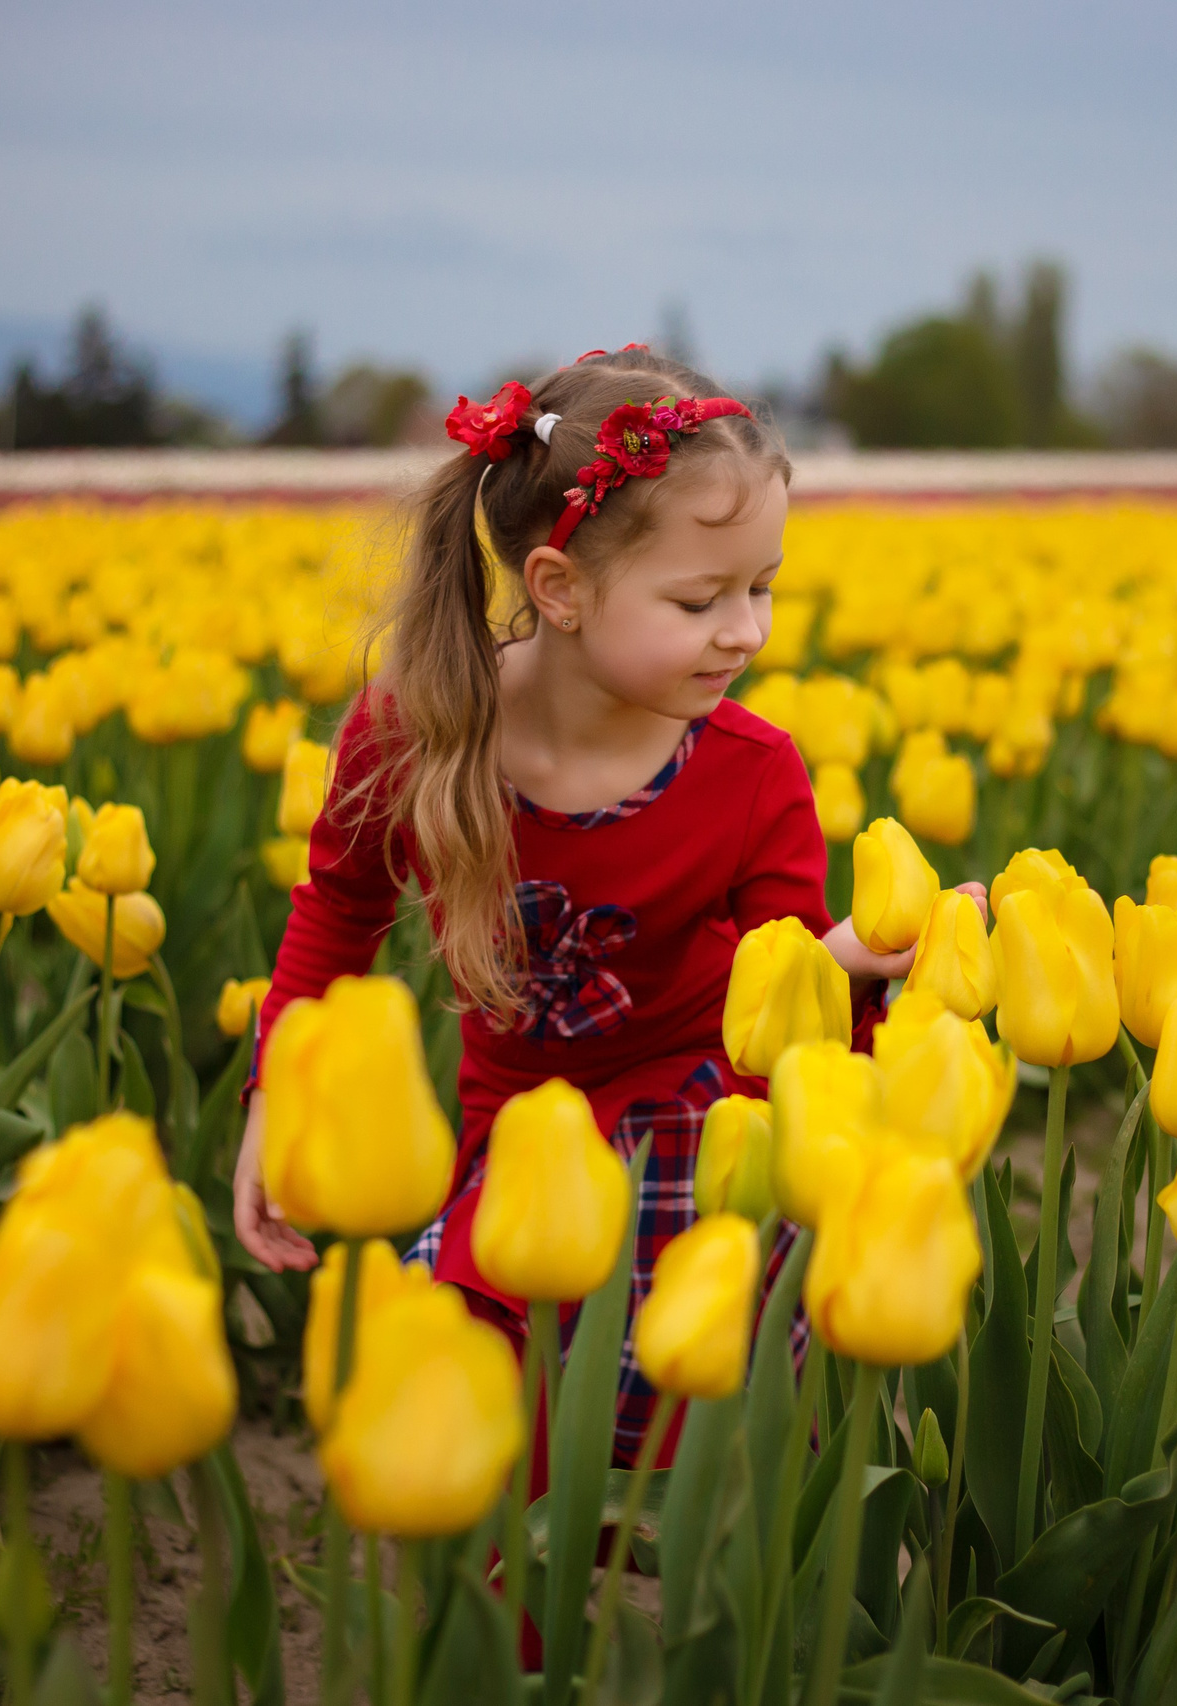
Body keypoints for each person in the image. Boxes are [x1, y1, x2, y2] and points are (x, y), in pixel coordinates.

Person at [231, 346, 981, 1467]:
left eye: (761, 587)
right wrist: (274, 1102)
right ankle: (511, 1636)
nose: (748, 631)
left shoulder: (752, 771)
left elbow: (784, 1012)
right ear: (559, 588)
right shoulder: (421, 727)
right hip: (518, 1129)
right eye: (701, 597)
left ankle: (757, 1591)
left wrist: (863, 955)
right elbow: (337, 912)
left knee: (735, 1413)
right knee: (485, 1430)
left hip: (696, 1118)